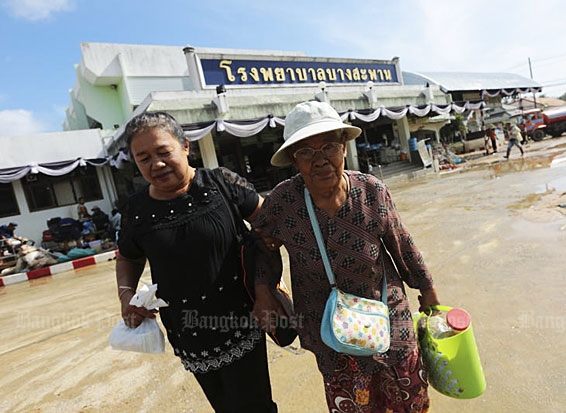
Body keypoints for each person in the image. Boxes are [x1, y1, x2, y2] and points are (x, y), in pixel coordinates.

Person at [252, 101, 441, 412]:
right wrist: (264, 291)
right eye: (306, 152)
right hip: (329, 331)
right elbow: (262, 247)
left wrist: (428, 290)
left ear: (343, 146)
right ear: (294, 161)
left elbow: (401, 243)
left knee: (410, 402)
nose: (320, 159)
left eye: (328, 146)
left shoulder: (371, 191)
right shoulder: (282, 202)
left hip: (389, 320)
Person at [115, 111, 277, 413]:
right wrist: (126, 294)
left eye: (164, 152)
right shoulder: (136, 210)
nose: (157, 164)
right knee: (224, 406)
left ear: (185, 146)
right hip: (187, 331)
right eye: (144, 158)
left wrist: (266, 287)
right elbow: (128, 255)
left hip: (241, 320)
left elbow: (269, 226)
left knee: (254, 406)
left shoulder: (221, 183)